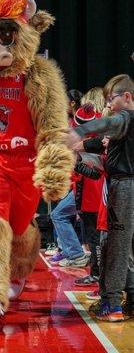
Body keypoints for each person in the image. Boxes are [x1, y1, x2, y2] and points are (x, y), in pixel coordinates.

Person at [68, 74, 134, 321]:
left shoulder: (126, 117)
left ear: (126, 97)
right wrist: (86, 146)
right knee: (127, 247)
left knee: (115, 247)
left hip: (124, 187)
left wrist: (78, 132)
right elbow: (103, 142)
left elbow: (104, 126)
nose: (107, 105)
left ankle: (112, 305)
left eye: (111, 99)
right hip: (125, 185)